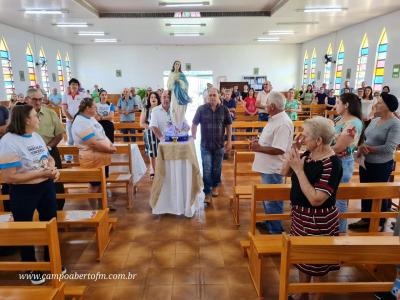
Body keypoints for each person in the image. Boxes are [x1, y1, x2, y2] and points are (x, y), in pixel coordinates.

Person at [282, 116, 343, 300]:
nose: (302, 138)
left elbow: (316, 199)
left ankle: (316, 296)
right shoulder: (307, 154)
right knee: (302, 259)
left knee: (317, 264)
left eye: (306, 135)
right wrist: (294, 148)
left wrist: (299, 171)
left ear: (319, 141)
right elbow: (284, 172)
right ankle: (301, 294)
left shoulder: (332, 163)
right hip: (301, 217)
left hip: (319, 221)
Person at [0, 104, 61, 285]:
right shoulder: (8, 142)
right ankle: (31, 267)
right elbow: (10, 177)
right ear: (26, 120)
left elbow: (46, 156)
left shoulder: (35, 135)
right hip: (24, 191)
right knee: (25, 229)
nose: (38, 118)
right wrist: (42, 173)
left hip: (46, 186)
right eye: (36, 115)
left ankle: (53, 261)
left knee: (51, 221)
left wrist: (52, 168)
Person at [350, 93, 400, 230]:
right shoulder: (374, 120)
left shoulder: (395, 124)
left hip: (381, 164)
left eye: (381, 102)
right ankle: (366, 219)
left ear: (388, 107)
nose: (377, 103)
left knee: (378, 192)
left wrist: (369, 149)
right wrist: (361, 145)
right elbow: (365, 138)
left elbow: (390, 147)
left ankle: (379, 221)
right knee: (365, 191)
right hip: (366, 161)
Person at [252, 91, 294, 234]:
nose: (264, 105)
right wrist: (260, 142)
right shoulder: (275, 118)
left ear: (272, 106)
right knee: (268, 198)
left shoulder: (283, 123)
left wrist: (259, 147)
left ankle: (275, 230)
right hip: (267, 167)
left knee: (273, 200)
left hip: (273, 168)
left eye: (267, 103)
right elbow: (272, 141)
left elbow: (279, 149)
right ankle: (270, 222)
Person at [71, 98, 117, 210]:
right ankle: (95, 210)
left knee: (102, 183)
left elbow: (101, 134)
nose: (96, 109)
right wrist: (109, 149)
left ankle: (103, 207)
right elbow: (93, 143)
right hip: (92, 158)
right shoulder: (80, 122)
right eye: (94, 107)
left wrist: (110, 144)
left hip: (101, 157)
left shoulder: (90, 118)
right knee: (94, 185)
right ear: (87, 108)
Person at [26, 87, 65, 211]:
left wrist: (48, 147)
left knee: (56, 181)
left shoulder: (50, 113)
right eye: (34, 99)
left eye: (40, 99)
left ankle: (58, 207)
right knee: (35, 182)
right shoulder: (22, 115)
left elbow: (59, 134)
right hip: (29, 155)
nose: (38, 102)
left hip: (50, 150)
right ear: (28, 99)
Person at [192, 87, 232, 206]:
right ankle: (207, 192)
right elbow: (194, 124)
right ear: (206, 97)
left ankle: (215, 186)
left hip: (219, 145)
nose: (212, 97)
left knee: (217, 168)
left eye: (214, 95)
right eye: (210, 95)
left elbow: (229, 126)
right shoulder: (201, 109)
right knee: (207, 168)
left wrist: (229, 141)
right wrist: (193, 137)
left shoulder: (224, 110)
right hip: (205, 145)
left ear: (219, 96)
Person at [332, 93, 363, 233]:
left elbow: (339, 147)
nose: (335, 105)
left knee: (339, 199)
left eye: (338, 102)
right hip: (332, 160)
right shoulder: (339, 118)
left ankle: (339, 232)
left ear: (346, 105)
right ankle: (329, 229)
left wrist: (318, 150)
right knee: (331, 198)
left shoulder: (354, 123)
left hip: (343, 162)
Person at [61, 78, 85, 162]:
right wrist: (71, 119)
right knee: (70, 140)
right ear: (69, 86)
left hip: (80, 120)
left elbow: (84, 108)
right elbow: (64, 109)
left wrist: (79, 118)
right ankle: (68, 158)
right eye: (72, 84)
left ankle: (82, 157)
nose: (74, 86)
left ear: (78, 86)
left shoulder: (82, 95)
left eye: (76, 84)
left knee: (81, 139)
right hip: (69, 121)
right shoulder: (65, 95)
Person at [140, 92, 161, 180]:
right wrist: (151, 127)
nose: (153, 98)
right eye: (151, 97)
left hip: (160, 132)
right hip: (150, 132)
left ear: (158, 99)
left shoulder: (161, 108)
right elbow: (141, 123)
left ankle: (161, 169)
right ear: (149, 99)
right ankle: (153, 170)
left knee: (160, 151)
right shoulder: (146, 109)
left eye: (155, 97)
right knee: (152, 152)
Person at [167, 60, 191, 128]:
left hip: (181, 95)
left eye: (179, 64)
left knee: (180, 110)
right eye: (176, 64)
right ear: (174, 65)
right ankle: (175, 125)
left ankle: (180, 125)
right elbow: (168, 85)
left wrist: (180, 81)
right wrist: (173, 81)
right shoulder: (171, 74)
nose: (177, 65)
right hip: (174, 94)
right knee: (174, 109)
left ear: (180, 66)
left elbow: (186, 85)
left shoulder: (182, 74)